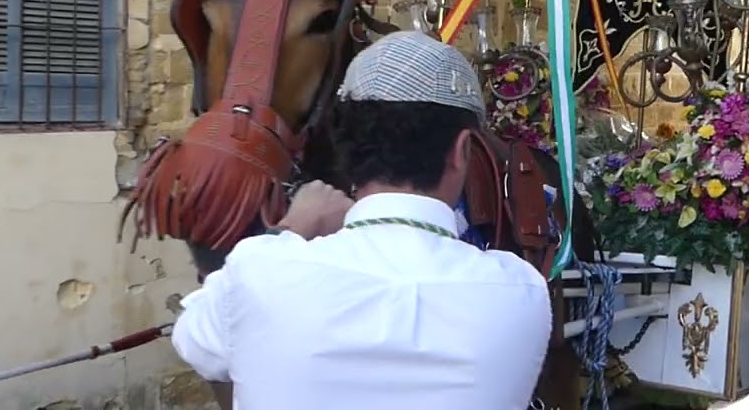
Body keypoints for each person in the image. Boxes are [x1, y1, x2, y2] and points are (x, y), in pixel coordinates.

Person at [171, 31, 554, 410]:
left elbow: (193, 339)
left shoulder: (261, 270)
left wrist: (291, 228)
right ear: (462, 150)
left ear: (345, 144)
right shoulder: (520, 291)